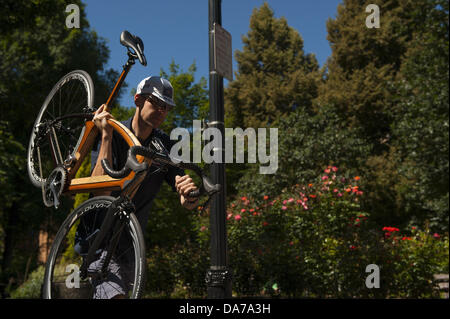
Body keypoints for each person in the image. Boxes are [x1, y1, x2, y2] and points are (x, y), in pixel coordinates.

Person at [86, 76, 199, 298]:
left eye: (166, 107)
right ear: (138, 100)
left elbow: (186, 203)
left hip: (131, 243)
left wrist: (188, 195)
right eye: (156, 103)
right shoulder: (114, 132)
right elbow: (100, 191)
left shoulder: (165, 145)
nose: (161, 111)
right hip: (99, 237)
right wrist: (106, 136)